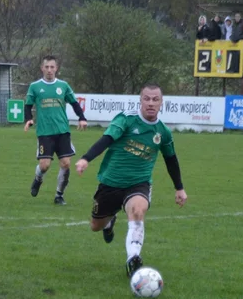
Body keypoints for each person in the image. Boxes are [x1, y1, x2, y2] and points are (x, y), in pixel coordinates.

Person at [75, 83, 187, 276]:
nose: (151, 103)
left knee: (137, 210)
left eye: (155, 99)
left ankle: (133, 258)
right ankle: (109, 222)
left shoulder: (162, 132)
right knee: (96, 226)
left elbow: (171, 160)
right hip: (110, 183)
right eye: (147, 99)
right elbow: (107, 139)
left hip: (139, 183)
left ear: (161, 103)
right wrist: (86, 158)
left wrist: (179, 188)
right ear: (140, 101)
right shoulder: (126, 120)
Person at [24, 55, 88, 205]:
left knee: (66, 163)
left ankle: (59, 195)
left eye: (52, 67)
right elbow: (28, 105)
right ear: (42, 68)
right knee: (44, 165)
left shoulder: (63, 86)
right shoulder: (35, 86)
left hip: (62, 131)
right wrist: (28, 119)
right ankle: (38, 178)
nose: (49, 70)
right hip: (44, 132)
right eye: (46, 67)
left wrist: (82, 118)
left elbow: (74, 103)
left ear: (56, 68)